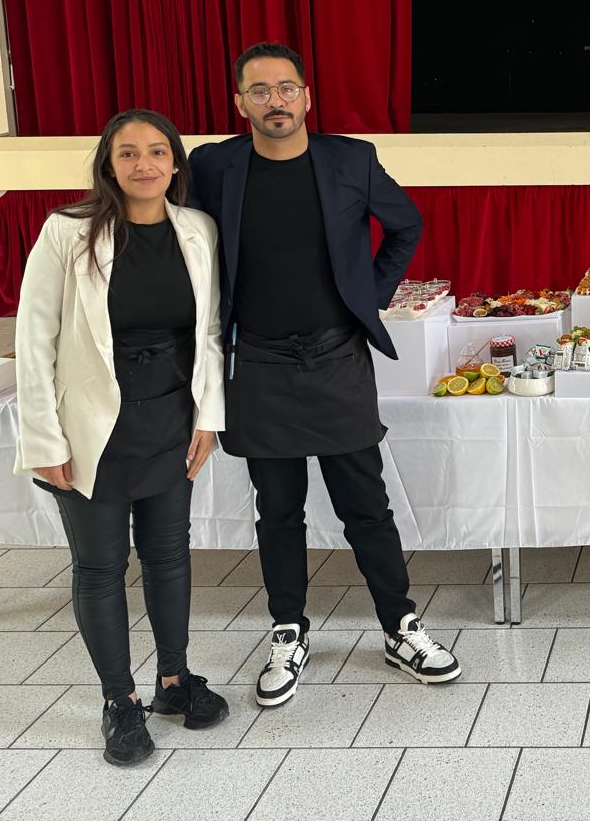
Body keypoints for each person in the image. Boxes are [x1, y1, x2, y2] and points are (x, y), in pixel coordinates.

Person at [189, 42, 459, 707]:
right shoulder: (214, 165)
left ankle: (400, 626)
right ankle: (287, 630)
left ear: (307, 97)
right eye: (259, 90)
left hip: (336, 355)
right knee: (277, 509)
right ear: (240, 103)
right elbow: (186, 242)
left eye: (287, 88)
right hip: (257, 360)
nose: (275, 101)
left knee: (365, 504)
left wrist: (367, 295)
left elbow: (405, 225)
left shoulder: (351, 159)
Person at [15, 109, 230, 767]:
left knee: (169, 556)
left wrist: (208, 416)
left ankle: (173, 680)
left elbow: (209, 333)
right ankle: (120, 701)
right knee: (101, 566)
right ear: (109, 165)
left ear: (175, 162)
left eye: (158, 151)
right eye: (128, 153)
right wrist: (45, 439)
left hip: (169, 418)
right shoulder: (68, 232)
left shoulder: (197, 230)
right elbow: (34, 340)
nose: (144, 164)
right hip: (90, 428)